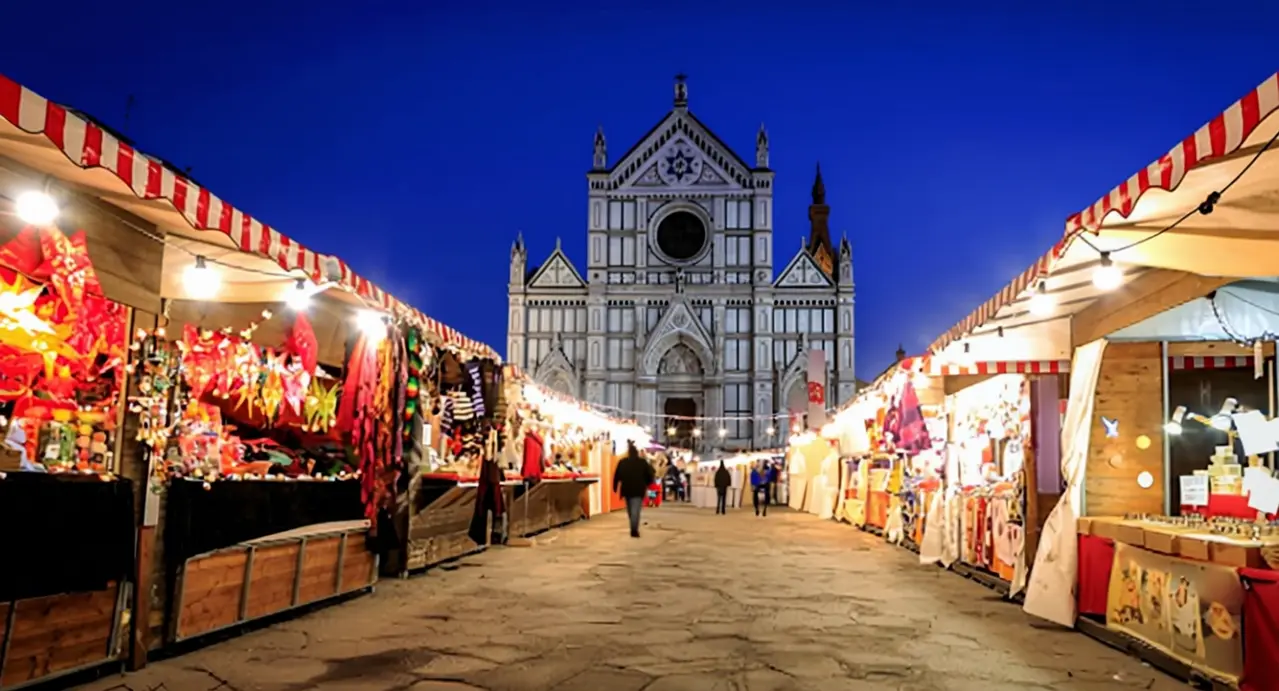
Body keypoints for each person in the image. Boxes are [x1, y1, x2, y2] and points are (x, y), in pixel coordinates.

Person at [613, 440, 656, 538]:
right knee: (635, 510)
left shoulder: (623, 462)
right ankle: (634, 529)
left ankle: (633, 527)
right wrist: (649, 483)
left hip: (627, 489)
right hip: (638, 489)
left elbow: (617, 475)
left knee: (630, 510)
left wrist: (615, 487)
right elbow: (650, 474)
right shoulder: (643, 462)